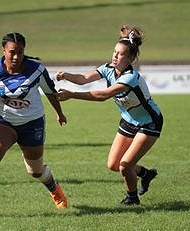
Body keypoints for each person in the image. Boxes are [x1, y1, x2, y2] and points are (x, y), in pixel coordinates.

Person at [0, 32, 68, 217]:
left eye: (20, 52)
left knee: (35, 171)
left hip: (32, 123)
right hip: (4, 121)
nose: (16, 56)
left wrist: (59, 113)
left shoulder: (36, 70)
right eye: (12, 52)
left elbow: (50, 93)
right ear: (3, 51)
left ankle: (54, 188)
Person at [55, 25, 163, 206]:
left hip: (149, 122)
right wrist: (67, 75)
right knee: (113, 164)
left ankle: (132, 198)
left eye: (120, 54)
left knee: (125, 165)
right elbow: (83, 79)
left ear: (130, 58)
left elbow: (103, 96)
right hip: (129, 121)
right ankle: (145, 174)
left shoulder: (130, 78)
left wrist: (72, 95)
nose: (115, 56)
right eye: (114, 52)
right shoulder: (107, 69)